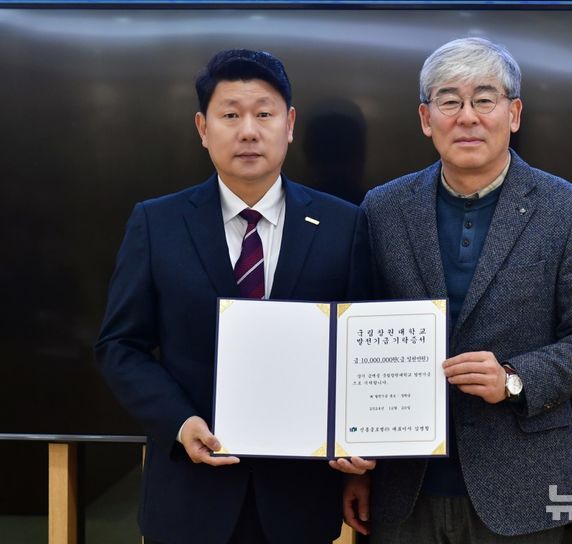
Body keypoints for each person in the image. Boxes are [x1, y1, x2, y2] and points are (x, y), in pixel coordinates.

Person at [343, 37, 572, 543]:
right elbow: (353, 335)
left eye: (484, 99)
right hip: (404, 487)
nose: (467, 117)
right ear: (427, 119)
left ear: (513, 113)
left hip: (524, 483)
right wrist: (359, 464)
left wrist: (515, 380)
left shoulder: (570, 210)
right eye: (449, 101)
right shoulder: (382, 209)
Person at [95, 49, 368, 544]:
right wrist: (179, 422)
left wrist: (359, 444)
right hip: (188, 498)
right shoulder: (157, 223)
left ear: (289, 124)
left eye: (263, 114)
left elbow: (360, 350)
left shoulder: (343, 224)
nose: (248, 130)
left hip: (299, 500)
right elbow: (120, 345)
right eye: (230, 115)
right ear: (203, 128)